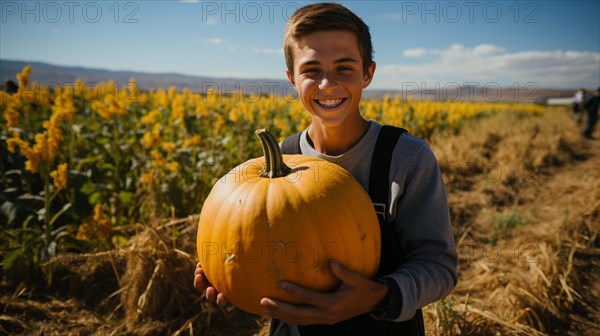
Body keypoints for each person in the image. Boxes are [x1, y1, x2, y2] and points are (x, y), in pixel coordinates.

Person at [194, 3, 458, 335]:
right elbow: (261, 259)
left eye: (344, 68)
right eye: (312, 70)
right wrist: (233, 275)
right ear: (291, 78)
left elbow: (439, 265)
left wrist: (378, 296)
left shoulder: (405, 157)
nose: (327, 84)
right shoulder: (280, 158)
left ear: (368, 73)